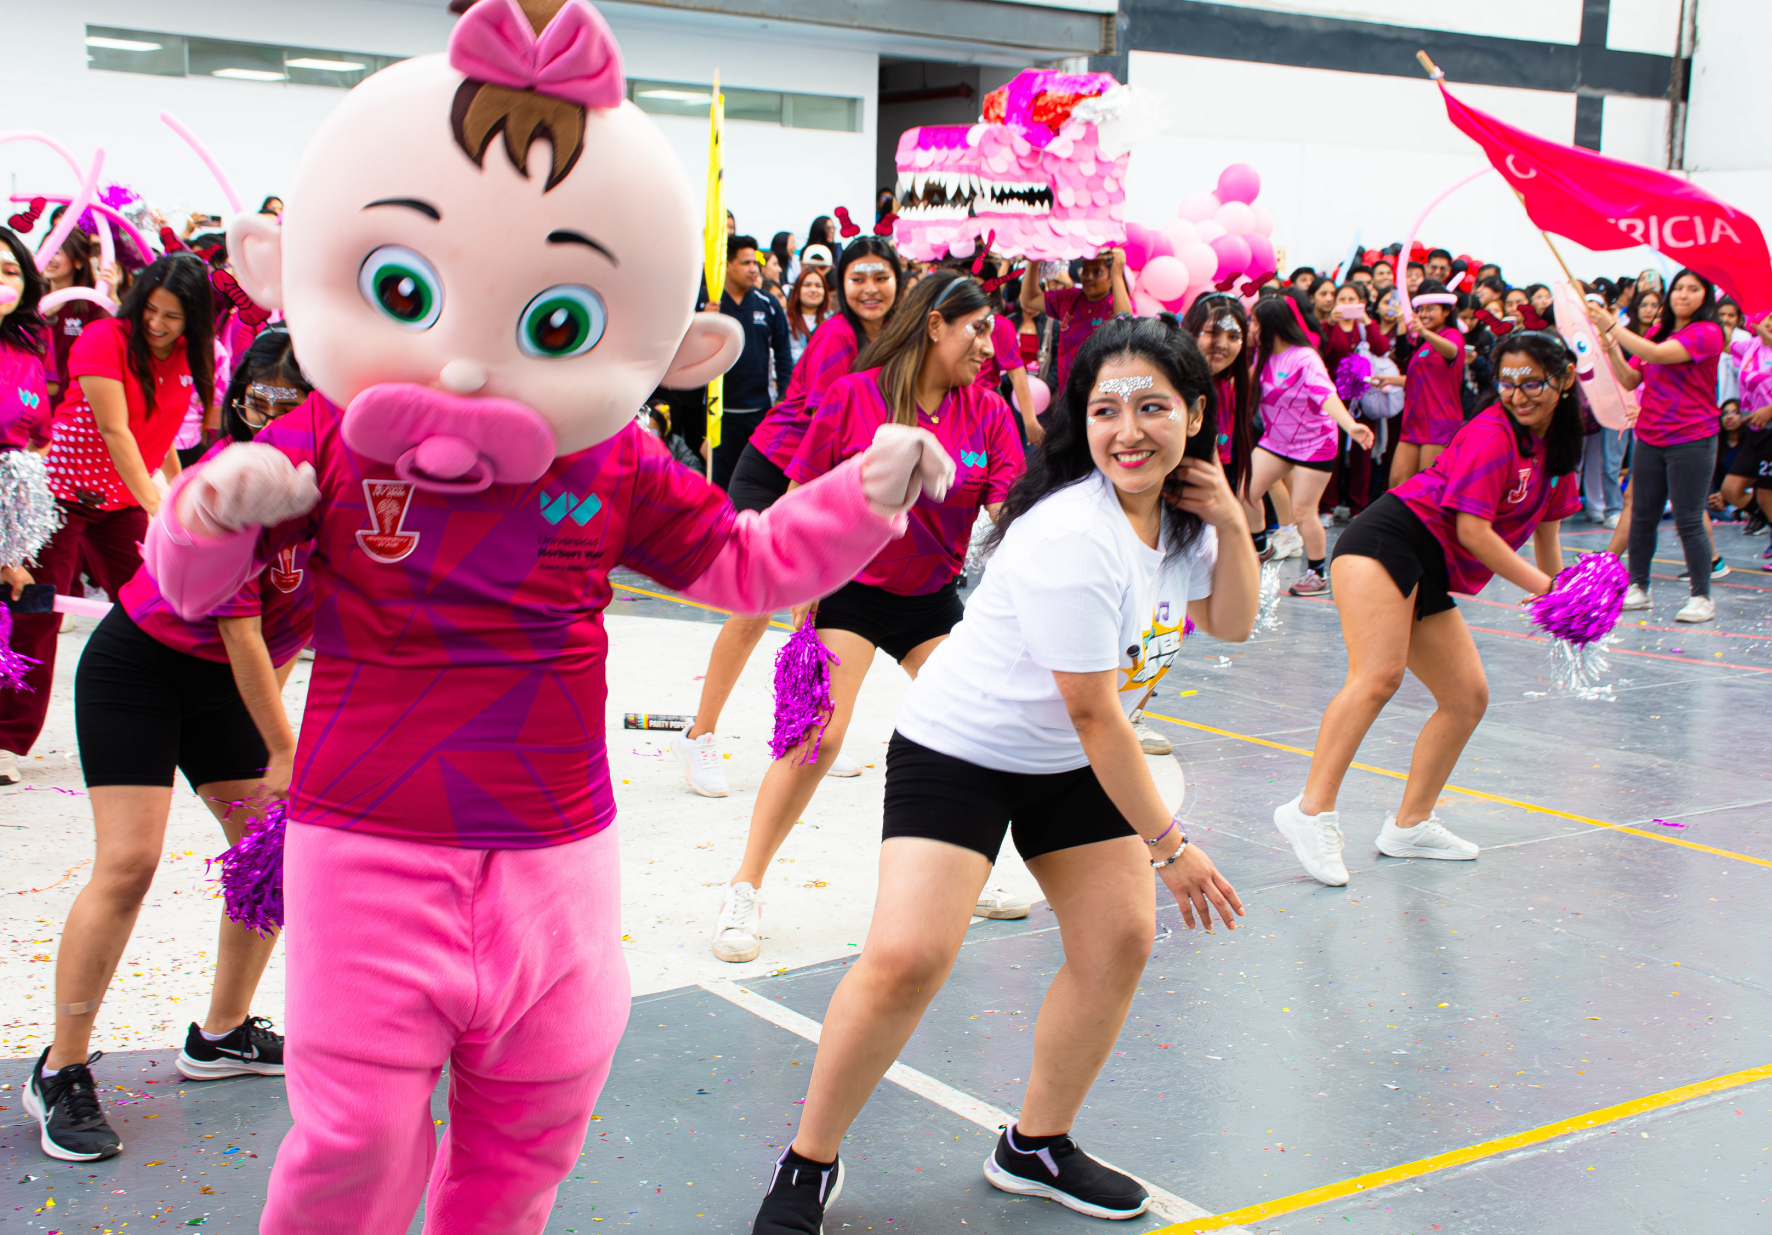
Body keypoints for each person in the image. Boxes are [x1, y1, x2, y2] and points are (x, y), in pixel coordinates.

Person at [142, 3, 958, 1224]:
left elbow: (743, 562)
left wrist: (860, 494)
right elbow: (196, 598)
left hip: (553, 857)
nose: (468, 368)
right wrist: (213, 512)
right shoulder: (330, 436)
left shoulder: (612, 459)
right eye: (406, 288)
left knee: (535, 1114)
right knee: (354, 1138)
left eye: (554, 320)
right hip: (372, 842)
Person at [746, 316, 1257, 1230]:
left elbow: (1231, 621)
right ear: (1081, 420)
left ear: (1195, 413)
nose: (1128, 430)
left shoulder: (1179, 520)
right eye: (1107, 410)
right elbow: (1097, 712)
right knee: (908, 957)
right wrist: (1170, 846)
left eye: (1153, 407)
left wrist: (1229, 518)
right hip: (962, 752)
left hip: (1067, 762)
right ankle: (805, 1163)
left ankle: (1036, 1144)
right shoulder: (1073, 535)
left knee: (1117, 943)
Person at [25, 332, 315, 1161]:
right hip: (139, 671)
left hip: (227, 684)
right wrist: (283, 749)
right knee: (129, 861)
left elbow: (295, 630)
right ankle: (62, 1068)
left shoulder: (341, 493)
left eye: (298, 402)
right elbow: (245, 630)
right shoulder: (226, 485)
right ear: (241, 399)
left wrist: (274, 739)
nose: (279, 418)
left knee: (268, 854)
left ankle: (221, 1033)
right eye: (264, 399)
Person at [710, 272, 1025, 964]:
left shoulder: (990, 412)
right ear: (936, 324)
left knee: (980, 728)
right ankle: (744, 886)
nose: (988, 342)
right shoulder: (854, 396)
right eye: (977, 327)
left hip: (932, 597)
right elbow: (801, 496)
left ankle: (964, 871)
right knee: (818, 736)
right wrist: (800, 595)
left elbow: (1009, 515)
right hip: (850, 585)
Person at [1274, 331, 1584, 886]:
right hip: (1386, 541)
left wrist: (1570, 603)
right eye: (1508, 381)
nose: (1518, 394)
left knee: (1466, 697)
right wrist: (1547, 590)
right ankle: (1308, 811)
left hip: (1428, 565)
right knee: (1377, 677)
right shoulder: (1493, 435)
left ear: (1562, 382)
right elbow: (1473, 530)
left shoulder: (1557, 448)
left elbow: (1547, 533)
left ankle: (1410, 825)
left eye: (1533, 381)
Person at [672, 237, 902, 796]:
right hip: (780, 470)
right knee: (758, 605)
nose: (869, 289)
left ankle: (805, 733)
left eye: (880, 277)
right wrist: (808, 503)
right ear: (842, 285)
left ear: (899, 281)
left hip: (832, 478)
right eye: (858, 278)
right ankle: (699, 735)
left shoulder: (895, 340)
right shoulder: (836, 337)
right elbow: (829, 426)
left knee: (820, 613)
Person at [0, 254, 214, 775]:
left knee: (163, 603)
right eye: (152, 311)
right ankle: (6, 737)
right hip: (59, 499)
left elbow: (158, 429)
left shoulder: (191, 354)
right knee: (35, 615)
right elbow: (116, 431)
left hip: (122, 500)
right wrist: (159, 505)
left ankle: (179, 710)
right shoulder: (104, 337)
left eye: (173, 316)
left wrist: (175, 486)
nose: (158, 325)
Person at [1589, 269, 1725, 622]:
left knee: (1688, 519)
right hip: (1650, 436)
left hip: (1692, 439)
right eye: (1678, 288)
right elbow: (1631, 378)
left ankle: (1702, 596)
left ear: (1705, 297)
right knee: (1643, 517)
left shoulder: (1707, 333)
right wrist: (1612, 351)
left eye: (1693, 289)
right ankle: (1638, 587)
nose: (1682, 294)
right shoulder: (1655, 331)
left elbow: (1659, 355)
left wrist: (1612, 327)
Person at [1242, 291, 1373, 597]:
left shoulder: (1304, 358)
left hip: (1315, 443)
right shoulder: (1263, 355)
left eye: (1255, 323)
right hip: (1277, 440)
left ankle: (1317, 573)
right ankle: (1261, 547)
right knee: (1245, 492)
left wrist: (1351, 426)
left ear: (1272, 325)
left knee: (1303, 511)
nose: (1251, 329)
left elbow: (1326, 395)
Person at [709, 234, 793, 489]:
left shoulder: (769, 304)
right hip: (717, 414)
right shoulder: (708, 302)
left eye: (755, 263)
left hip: (760, 413)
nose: (754, 269)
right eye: (746, 263)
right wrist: (700, 321)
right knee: (719, 483)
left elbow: (783, 354)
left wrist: (782, 397)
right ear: (727, 265)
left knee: (756, 483)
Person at [1384, 280, 1466, 489]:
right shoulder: (1425, 345)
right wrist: (1388, 380)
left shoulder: (1452, 336)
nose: (1424, 314)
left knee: (1428, 487)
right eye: (1420, 310)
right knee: (1397, 484)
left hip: (1439, 421)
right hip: (1413, 421)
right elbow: (1418, 380)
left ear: (1447, 312)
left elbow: (1452, 351)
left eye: (1431, 309)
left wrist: (1425, 333)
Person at [1020, 247, 1132, 392]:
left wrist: (1117, 273)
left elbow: (1126, 322)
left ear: (1110, 278)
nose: (1089, 277)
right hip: (1067, 394)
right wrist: (1033, 261)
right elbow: (1029, 300)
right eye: (1085, 271)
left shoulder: (1115, 305)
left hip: (1103, 394)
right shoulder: (1069, 298)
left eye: (1097, 272)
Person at [1719, 313, 1772, 547]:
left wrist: (1769, 410)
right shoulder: (1750, 347)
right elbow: (1721, 344)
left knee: (1766, 494)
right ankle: (1766, 522)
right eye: (1768, 319)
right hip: (1753, 431)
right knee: (1731, 490)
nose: (1771, 323)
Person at [784, 266, 831, 364]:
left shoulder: (831, 320)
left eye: (818, 286)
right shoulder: (784, 319)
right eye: (807, 285)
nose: (813, 290)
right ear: (798, 289)